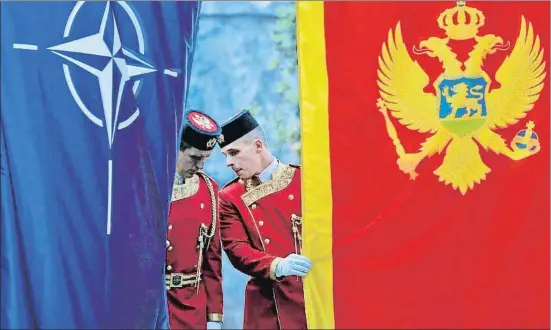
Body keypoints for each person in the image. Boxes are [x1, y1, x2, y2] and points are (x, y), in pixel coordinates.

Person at [217, 109, 313, 329]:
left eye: (234, 152)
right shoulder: (229, 197)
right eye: (225, 156)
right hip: (267, 308)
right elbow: (236, 248)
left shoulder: (305, 180)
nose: (228, 163)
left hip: (312, 297)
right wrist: (277, 265)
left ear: (258, 146)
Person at [166, 110, 224, 330]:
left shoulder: (209, 190)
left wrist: (214, 317)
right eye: (195, 157)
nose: (200, 166)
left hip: (192, 310)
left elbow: (212, 260)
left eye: (205, 159)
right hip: (149, 305)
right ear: (175, 147)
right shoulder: (144, 184)